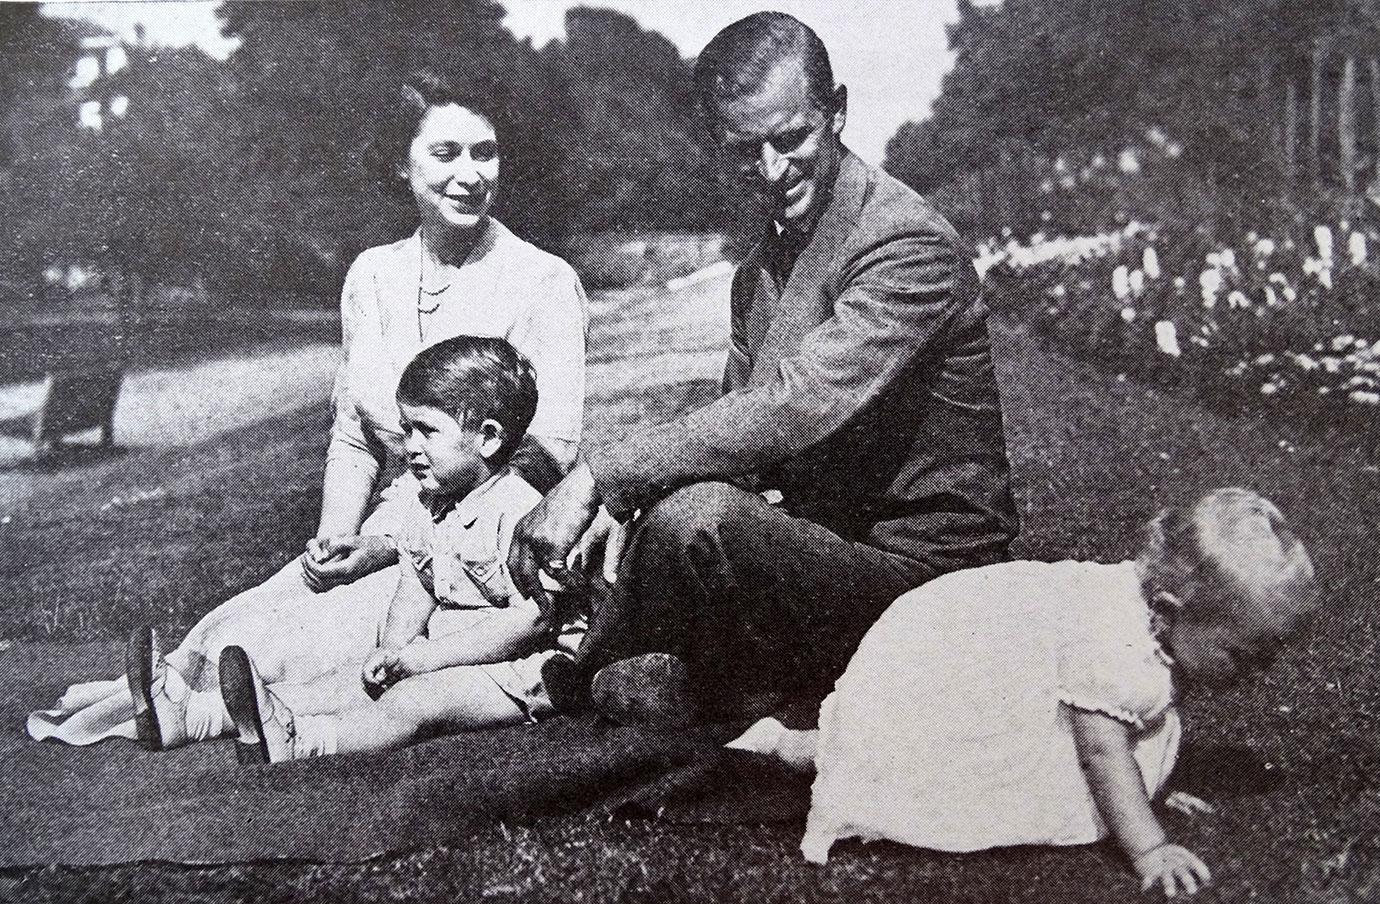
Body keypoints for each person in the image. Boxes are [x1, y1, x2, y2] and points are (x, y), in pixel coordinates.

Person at [28, 69, 588, 750]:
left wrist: (387, 548)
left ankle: (201, 714)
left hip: (485, 545)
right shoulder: (372, 277)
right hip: (387, 524)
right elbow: (353, 434)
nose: (470, 174)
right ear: (400, 165)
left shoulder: (544, 282)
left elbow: (545, 453)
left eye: (485, 152)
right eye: (446, 154)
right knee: (250, 616)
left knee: (298, 643)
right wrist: (331, 546)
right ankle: (173, 698)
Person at [509, 12, 1018, 724]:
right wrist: (621, 516)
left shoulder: (904, 241)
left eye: (791, 139)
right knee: (681, 507)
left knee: (700, 517)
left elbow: (794, 404)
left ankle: (579, 673)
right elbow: (735, 447)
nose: (772, 171)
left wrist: (599, 479)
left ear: (836, 112)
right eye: (746, 151)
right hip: (826, 552)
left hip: (928, 578)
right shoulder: (757, 273)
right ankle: (632, 662)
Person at [726, 489, 1320, 897]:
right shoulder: (1113, 641)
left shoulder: (1159, 629)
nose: (1253, 674)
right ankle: (793, 748)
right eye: (1240, 655)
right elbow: (1104, 753)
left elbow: (1143, 722)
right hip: (958, 672)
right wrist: (1149, 847)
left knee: (863, 748)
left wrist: (1159, 781)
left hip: (998, 661)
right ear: (1169, 611)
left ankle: (797, 745)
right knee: (913, 759)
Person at [219, 336, 583, 762]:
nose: (410, 446)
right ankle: (200, 714)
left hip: (527, 670)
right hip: (447, 652)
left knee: (416, 702)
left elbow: (531, 624)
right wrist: (392, 649)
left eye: (426, 430)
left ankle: (304, 741)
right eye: (406, 429)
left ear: (487, 438)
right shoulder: (429, 503)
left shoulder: (522, 511)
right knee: (354, 678)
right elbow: (416, 584)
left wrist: (422, 660)